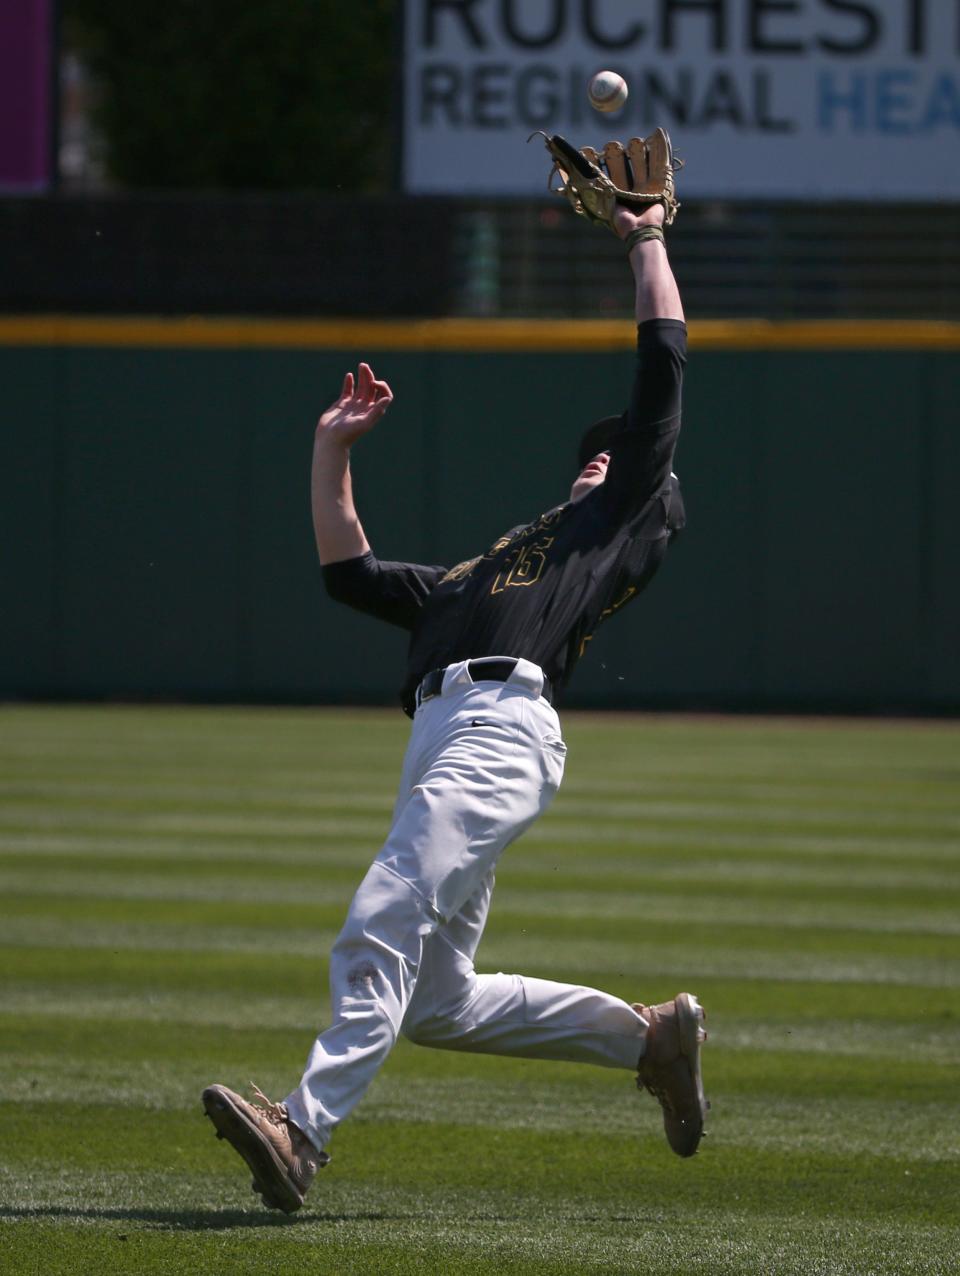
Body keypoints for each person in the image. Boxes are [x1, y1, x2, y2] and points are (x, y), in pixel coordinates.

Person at [202, 134, 708, 1213]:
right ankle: (649, 1040)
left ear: (638, 493)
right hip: (453, 728)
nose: (594, 454)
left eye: (612, 450)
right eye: (593, 448)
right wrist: (332, 451)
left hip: (499, 727)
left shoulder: (607, 527)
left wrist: (647, 241)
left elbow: (661, 363)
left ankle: (302, 1130)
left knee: (388, 896)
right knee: (437, 1000)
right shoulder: (497, 563)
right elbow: (352, 575)